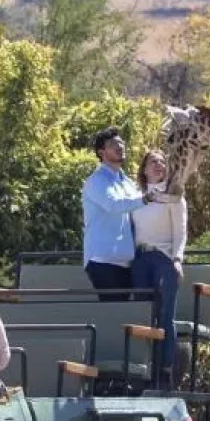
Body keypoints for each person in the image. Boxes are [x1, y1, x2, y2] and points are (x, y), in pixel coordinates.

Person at [81, 126, 165, 301]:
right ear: (101, 152)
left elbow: (140, 212)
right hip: (103, 262)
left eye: (121, 143)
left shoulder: (127, 182)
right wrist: (145, 199)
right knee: (115, 315)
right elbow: (114, 204)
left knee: (126, 316)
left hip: (127, 263)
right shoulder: (96, 181)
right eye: (113, 144)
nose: (120, 147)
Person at [131, 149, 187, 386]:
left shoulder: (174, 197)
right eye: (153, 162)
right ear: (144, 169)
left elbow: (181, 231)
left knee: (165, 316)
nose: (158, 165)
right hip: (141, 259)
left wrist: (177, 259)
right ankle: (140, 369)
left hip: (164, 258)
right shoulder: (136, 196)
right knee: (141, 314)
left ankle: (164, 370)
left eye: (163, 161)